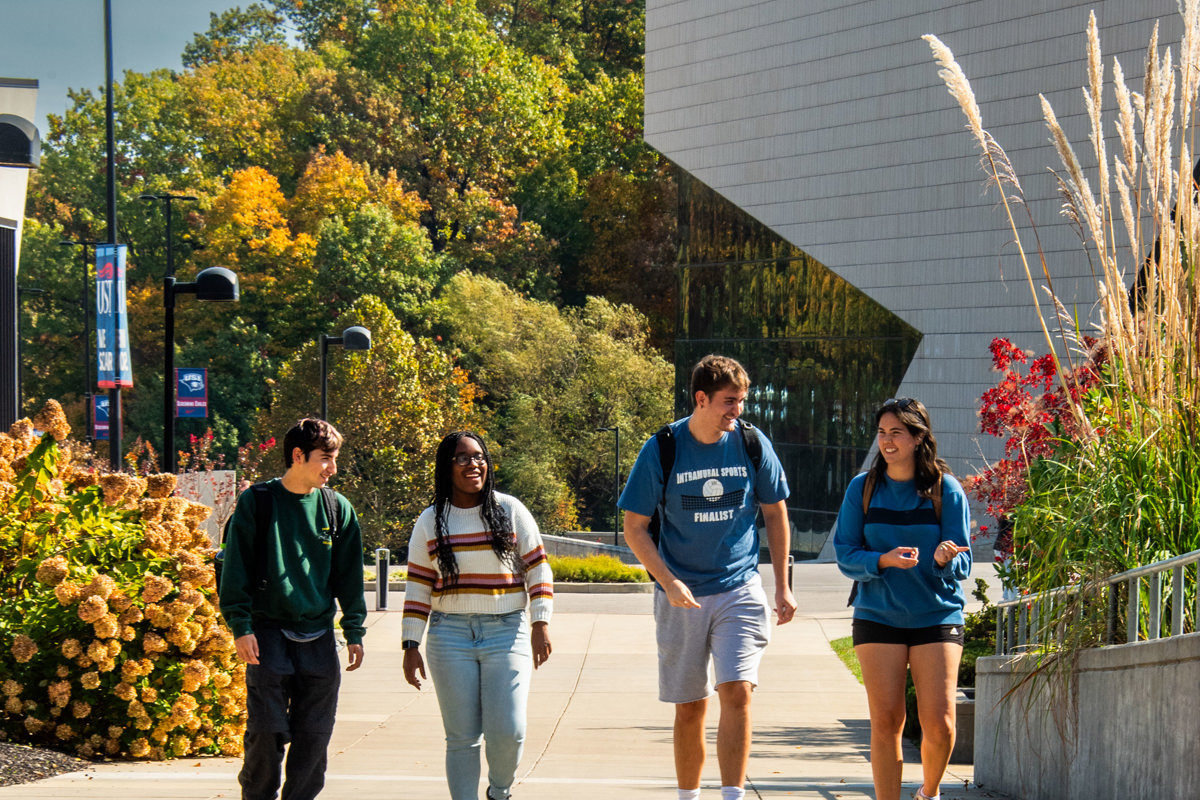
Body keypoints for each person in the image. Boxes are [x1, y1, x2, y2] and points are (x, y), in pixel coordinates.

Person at [619, 354, 796, 800]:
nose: (737, 410)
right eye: (729, 402)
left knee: (737, 691)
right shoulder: (662, 447)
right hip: (681, 595)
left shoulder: (752, 443)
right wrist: (667, 580)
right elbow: (634, 527)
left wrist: (782, 585)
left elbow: (776, 512)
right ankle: (688, 796)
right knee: (690, 706)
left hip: (739, 587)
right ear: (702, 399)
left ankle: (733, 794)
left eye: (741, 401)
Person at [219, 418, 367, 800]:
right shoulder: (258, 502)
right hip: (267, 635)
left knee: (313, 741)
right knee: (265, 736)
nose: (332, 468)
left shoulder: (338, 509)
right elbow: (235, 569)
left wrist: (354, 631)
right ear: (298, 456)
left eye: (334, 459)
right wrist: (240, 626)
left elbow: (349, 578)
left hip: (318, 639)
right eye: (325, 458)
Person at [401, 431, 553, 800]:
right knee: (462, 738)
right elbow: (419, 585)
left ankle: (499, 791)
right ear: (446, 467)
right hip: (449, 634)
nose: (475, 464)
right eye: (463, 458)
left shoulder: (510, 510)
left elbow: (538, 569)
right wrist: (410, 643)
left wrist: (540, 622)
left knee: (509, 730)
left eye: (479, 456)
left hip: (507, 630)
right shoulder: (430, 520)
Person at [833, 397, 972, 800]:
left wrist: (945, 558)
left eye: (896, 433)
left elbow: (962, 563)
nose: (887, 441)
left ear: (917, 437)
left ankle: (928, 792)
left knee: (941, 723)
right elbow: (845, 553)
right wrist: (883, 560)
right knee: (887, 721)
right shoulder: (864, 489)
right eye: (882, 433)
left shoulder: (946, 490)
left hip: (937, 615)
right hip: (878, 616)